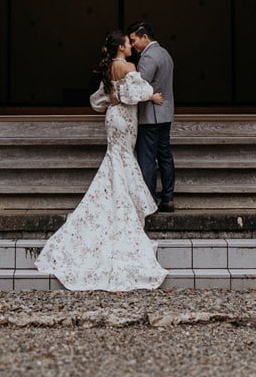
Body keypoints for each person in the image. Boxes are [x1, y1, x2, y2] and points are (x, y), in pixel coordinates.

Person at [33, 31, 168, 291]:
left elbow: (98, 100)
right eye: (128, 43)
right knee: (123, 160)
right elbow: (137, 92)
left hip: (113, 118)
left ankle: (114, 199)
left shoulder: (109, 68)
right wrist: (150, 96)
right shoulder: (127, 66)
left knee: (115, 159)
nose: (131, 46)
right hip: (126, 119)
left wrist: (117, 98)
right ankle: (122, 204)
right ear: (120, 47)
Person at [129, 22, 175, 213]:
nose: (132, 45)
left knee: (147, 158)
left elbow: (140, 86)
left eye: (134, 40)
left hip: (151, 115)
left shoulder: (148, 57)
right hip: (165, 113)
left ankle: (149, 199)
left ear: (144, 37)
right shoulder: (165, 53)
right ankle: (168, 197)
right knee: (165, 156)